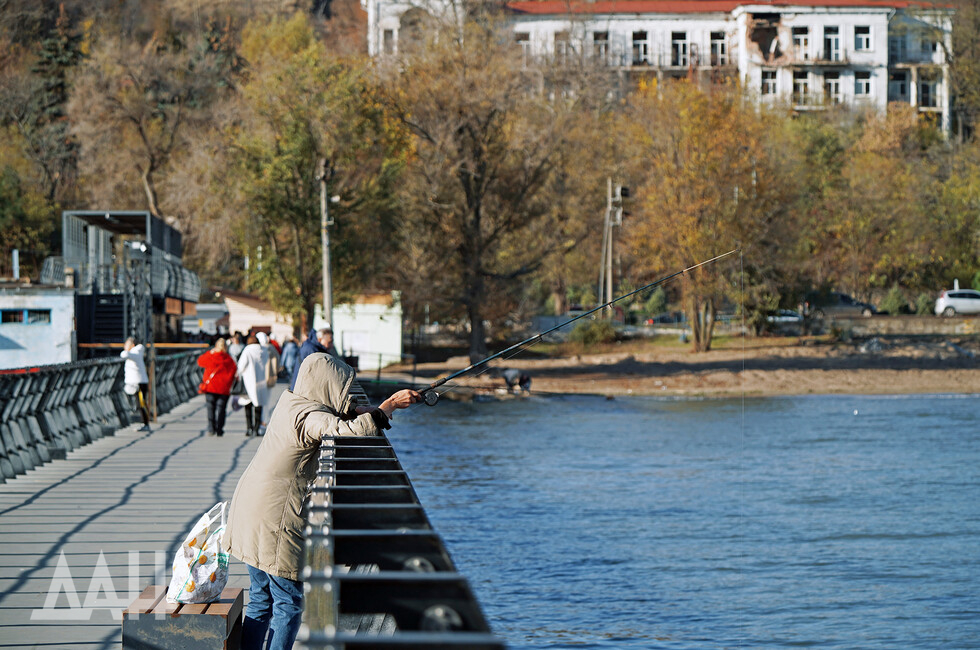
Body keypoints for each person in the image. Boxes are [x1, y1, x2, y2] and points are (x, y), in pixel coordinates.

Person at [223, 353, 420, 650]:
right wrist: (386, 407)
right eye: (342, 388)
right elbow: (342, 430)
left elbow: (333, 415)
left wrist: (361, 409)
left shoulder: (291, 403)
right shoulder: (308, 417)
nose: (344, 395)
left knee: (261, 599)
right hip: (274, 520)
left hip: (250, 508)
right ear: (329, 385)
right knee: (288, 604)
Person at [197, 338, 238, 437]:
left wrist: (210, 352)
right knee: (221, 409)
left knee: (211, 408)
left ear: (216, 346)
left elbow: (200, 361)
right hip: (224, 388)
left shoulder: (211, 356)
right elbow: (234, 370)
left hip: (211, 387)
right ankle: (220, 429)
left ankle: (211, 428)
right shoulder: (228, 359)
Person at [237, 334, 269, 437]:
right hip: (261, 381)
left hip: (248, 381)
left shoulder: (247, 350)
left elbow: (241, 366)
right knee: (258, 405)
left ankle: (249, 428)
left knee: (248, 406)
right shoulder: (264, 351)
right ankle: (256, 428)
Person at [120, 337, 151, 431]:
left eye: (127, 344)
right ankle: (144, 423)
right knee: (140, 403)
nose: (125, 346)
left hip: (140, 383)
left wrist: (126, 350)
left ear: (132, 345)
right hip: (136, 383)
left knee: (142, 403)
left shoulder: (136, 352)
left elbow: (124, 354)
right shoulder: (137, 352)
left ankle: (146, 423)